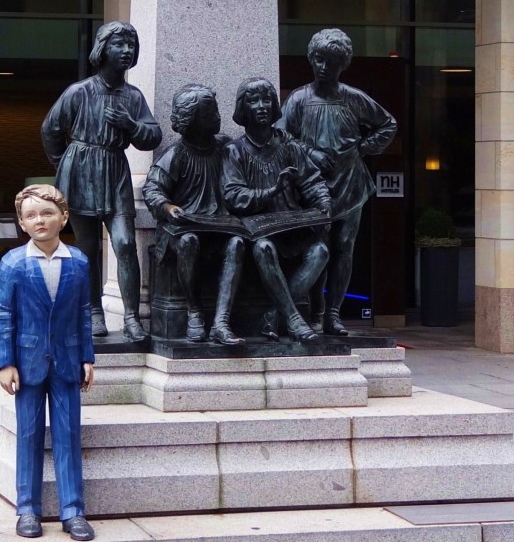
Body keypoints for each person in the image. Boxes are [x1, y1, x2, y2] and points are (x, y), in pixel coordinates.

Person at [41, 22, 161, 342]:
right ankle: (94, 310)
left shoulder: (133, 97)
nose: (127, 51)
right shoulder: (79, 92)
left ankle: (132, 317)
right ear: (103, 48)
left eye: (130, 46)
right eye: (120, 44)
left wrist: (131, 124)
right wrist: (66, 163)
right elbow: (50, 130)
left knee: (124, 243)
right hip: (81, 172)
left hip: (115, 170)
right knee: (89, 247)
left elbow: (153, 136)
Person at [0, 184, 96, 542]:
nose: (40, 220)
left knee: (68, 435)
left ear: (63, 218)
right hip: (28, 361)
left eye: (48, 213)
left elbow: (84, 313)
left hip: (67, 360)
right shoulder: (12, 264)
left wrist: (87, 356)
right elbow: (4, 314)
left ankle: (73, 510)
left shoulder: (79, 262)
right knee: (29, 434)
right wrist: (5, 362)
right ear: (22, 223)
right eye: (32, 215)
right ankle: (28, 508)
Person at [282, 28, 397, 335]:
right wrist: (308, 152)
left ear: (342, 64)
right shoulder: (298, 100)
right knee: (318, 246)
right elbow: (282, 137)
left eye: (331, 61)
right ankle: (316, 312)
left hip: (351, 182)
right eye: (318, 59)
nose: (323, 67)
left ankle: (334, 313)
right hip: (312, 184)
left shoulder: (353, 98)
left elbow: (387, 124)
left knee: (345, 246)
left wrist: (362, 148)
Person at [222, 77, 331, 343]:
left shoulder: (290, 148)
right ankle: (293, 320)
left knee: (320, 251)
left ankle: (274, 314)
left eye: (267, 99)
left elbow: (313, 182)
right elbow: (234, 196)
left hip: (291, 228)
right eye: (254, 101)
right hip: (256, 234)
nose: (261, 106)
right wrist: (271, 190)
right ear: (242, 109)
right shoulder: (234, 151)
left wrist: (324, 206)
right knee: (263, 248)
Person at [142, 83, 245, 345]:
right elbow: (152, 188)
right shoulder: (176, 154)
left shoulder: (225, 148)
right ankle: (194, 311)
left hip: (219, 228)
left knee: (237, 244)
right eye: (210, 113)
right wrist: (168, 208)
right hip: (183, 229)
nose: (217, 117)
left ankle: (221, 321)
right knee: (189, 242)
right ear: (193, 120)